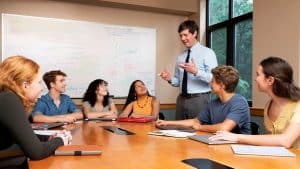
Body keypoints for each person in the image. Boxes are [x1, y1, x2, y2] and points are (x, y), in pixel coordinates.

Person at [210, 57, 300, 148]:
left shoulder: (298, 106)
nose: (255, 79)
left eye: (258, 75)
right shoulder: (269, 104)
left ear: (270, 80)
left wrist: (236, 137)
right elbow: (272, 140)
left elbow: (286, 141)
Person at [0, 56, 71, 169]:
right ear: (25, 85)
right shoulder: (9, 99)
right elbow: (36, 152)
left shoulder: (5, 97)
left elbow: (18, 136)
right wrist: (61, 140)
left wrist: (47, 138)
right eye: (38, 83)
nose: (41, 88)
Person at [156, 65, 251, 134]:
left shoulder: (239, 102)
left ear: (222, 85)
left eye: (212, 82)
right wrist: (167, 122)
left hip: (238, 149)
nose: (210, 84)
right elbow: (195, 122)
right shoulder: (213, 103)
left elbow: (224, 128)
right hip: (219, 144)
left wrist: (200, 127)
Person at [159, 20, 218, 120]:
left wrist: (196, 72)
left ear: (194, 33)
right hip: (181, 99)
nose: (183, 39)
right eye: (181, 36)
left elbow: (214, 78)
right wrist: (169, 78)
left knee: (198, 130)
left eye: (185, 35)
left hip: (199, 99)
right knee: (179, 131)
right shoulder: (180, 56)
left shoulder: (207, 53)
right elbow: (178, 81)